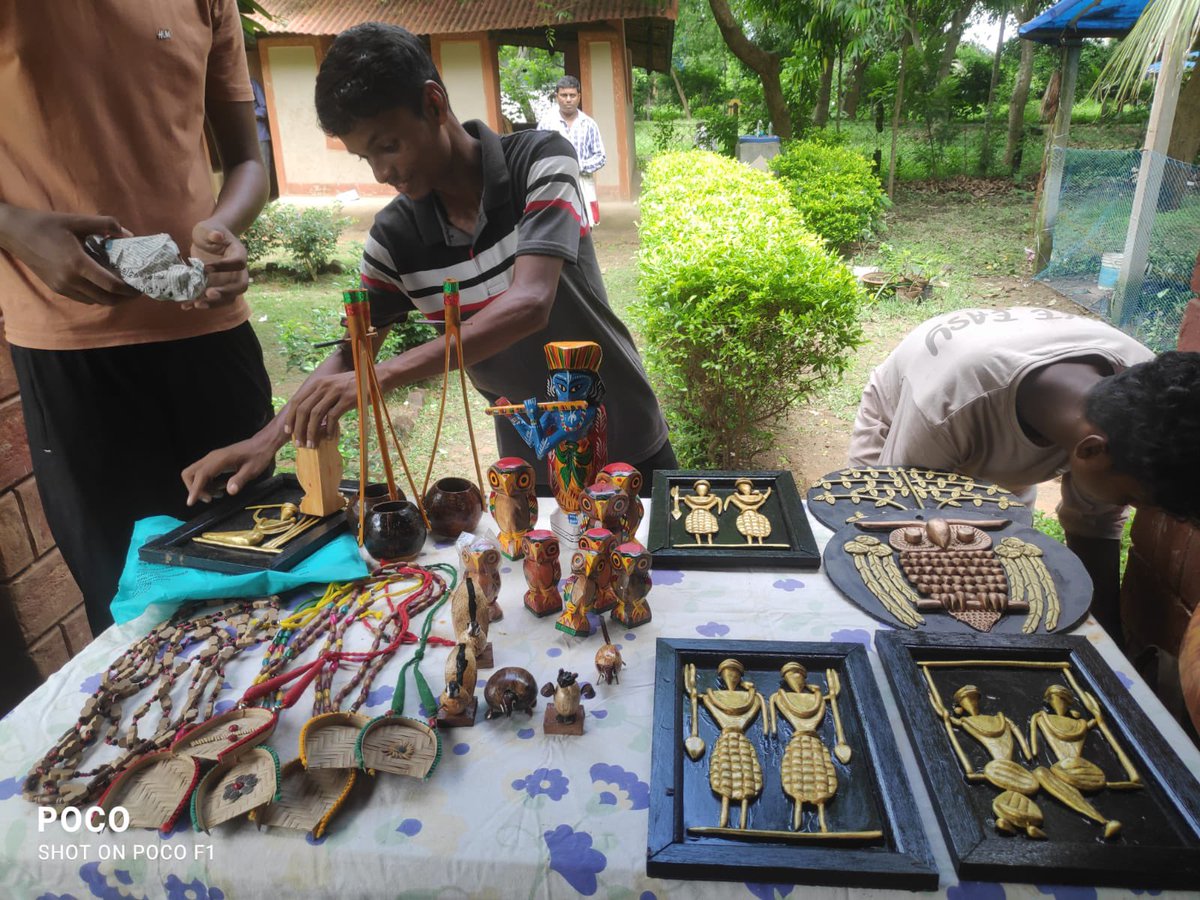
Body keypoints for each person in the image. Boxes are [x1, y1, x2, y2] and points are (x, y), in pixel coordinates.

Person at [183, 23, 673, 506]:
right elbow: (354, 351)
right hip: (531, 463)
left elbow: (529, 305)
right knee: (548, 579)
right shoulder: (393, 242)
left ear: (433, 104)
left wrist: (383, 377)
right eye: (363, 158)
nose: (382, 172)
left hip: (625, 440)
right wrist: (266, 439)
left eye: (388, 145)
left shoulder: (540, 162)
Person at [0, 3, 273, 632]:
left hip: (213, 340)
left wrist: (220, 228)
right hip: (68, 353)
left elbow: (248, 160)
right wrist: (17, 229)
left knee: (264, 589)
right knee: (134, 611)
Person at [847, 306, 1200, 644]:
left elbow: (1094, 529)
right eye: (1130, 498)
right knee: (874, 541)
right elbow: (901, 521)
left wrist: (1107, 641)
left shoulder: (1149, 400)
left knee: (1001, 560)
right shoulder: (949, 406)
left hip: (1004, 412)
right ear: (1089, 450)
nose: (1127, 506)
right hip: (911, 405)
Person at [538, 76, 605, 227]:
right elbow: (537, 156)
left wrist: (578, 166)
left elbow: (600, 156)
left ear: (579, 97)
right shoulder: (546, 123)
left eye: (572, 95)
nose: (568, 100)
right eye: (564, 95)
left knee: (585, 225)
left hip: (582, 183)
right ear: (557, 97)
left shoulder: (589, 124)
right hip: (555, 184)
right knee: (557, 224)